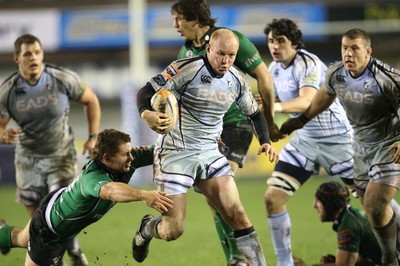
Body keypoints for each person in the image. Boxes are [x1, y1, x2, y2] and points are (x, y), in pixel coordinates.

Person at [132, 29, 278, 266]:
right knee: (173, 229)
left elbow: (254, 114)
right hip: (175, 153)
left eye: (231, 55)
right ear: (209, 48)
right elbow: (146, 91)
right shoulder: (185, 68)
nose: (225, 61)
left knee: (237, 215)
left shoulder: (237, 80)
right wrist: (146, 113)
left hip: (210, 153)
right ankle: (148, 228)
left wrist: (265, 141)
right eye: (220, 54)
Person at [170, 1, 282, 263]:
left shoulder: (231, 41)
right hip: (208, 132)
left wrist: (270, 121)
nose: (175, 26)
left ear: (194, 18)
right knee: (213, 199)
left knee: (221, 191)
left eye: (178, 19)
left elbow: (263, 77)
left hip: (237, 123)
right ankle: (235, 256)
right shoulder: (185, 52)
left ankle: (241, 257)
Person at [280, 28, 400, 266]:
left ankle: (389, 258)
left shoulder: (386, 77)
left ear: (368, 52)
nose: (348, 53)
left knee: (376, 207)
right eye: (345, 48)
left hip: (388, 145)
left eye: (354, 48)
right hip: (360, 147)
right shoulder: (336, 73)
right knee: (372, 206)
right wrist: (300, 120)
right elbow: (324, 95)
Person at [0, 128, 174, 266]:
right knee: (23, 239)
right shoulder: (92, 178)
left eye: (130, 151)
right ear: (106, 158)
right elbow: (110, 191)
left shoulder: (124, 160)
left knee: (22, 238)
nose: (131, 157)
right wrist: (144, 194)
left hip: (55, 204)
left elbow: (157, 151)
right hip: (49, 230)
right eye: (125, 154)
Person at [0, 33, 101, 265]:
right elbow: (0, 125)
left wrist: (93, 137)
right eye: (27, 54)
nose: (33, 57)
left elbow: (91, 100)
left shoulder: (61, 78)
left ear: (42, 54)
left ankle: (71, 252)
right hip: (27, 159)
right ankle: (7, 236)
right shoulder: (8, 90)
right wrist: (4, 135)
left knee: (62, 209)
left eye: (37, 52)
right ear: (17, 58)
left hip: (61, 155)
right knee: (38, 224)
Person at [261, 19, 355, 266]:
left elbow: (307, 101)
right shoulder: (274, 69)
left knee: (375, 203)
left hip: (339, 141)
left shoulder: (309, 63)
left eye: (280, 41)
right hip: (304, 142)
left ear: (294, 42)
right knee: (272, 198)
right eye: (271, 41)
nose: (275, 46)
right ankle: (285, 262)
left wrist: (275, 107)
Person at [314, 181, 381, 266]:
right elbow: (365, 262)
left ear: (328, 203)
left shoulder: (348, 224)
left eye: (317, 201)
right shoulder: (352, 216)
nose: (314, 206)